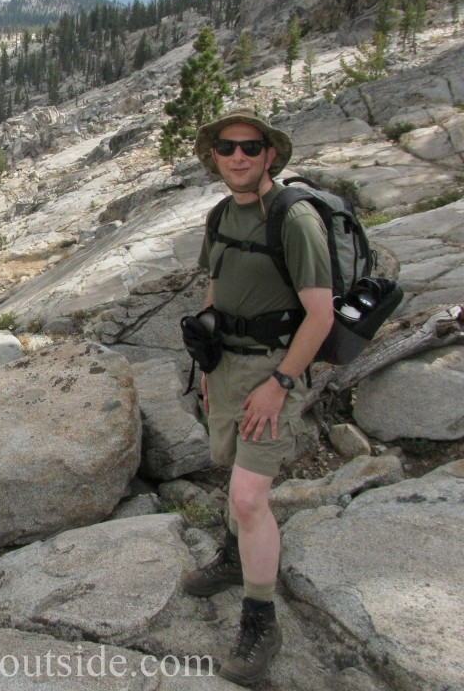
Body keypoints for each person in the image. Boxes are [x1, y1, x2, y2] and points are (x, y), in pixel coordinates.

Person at [181, 109, 334, 686]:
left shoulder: (294, 219)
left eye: (251, 147)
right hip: (226, 365)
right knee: (229, 467)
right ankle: (232, 556)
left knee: (248, 496)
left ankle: (260, 619)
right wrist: (207, 359)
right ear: (214, 155)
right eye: (227, 147)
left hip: (274, 369)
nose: (238, 156)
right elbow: (216, 286)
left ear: (270, 155)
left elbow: (319, 315)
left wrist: (281, 384)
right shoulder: (220, 214)